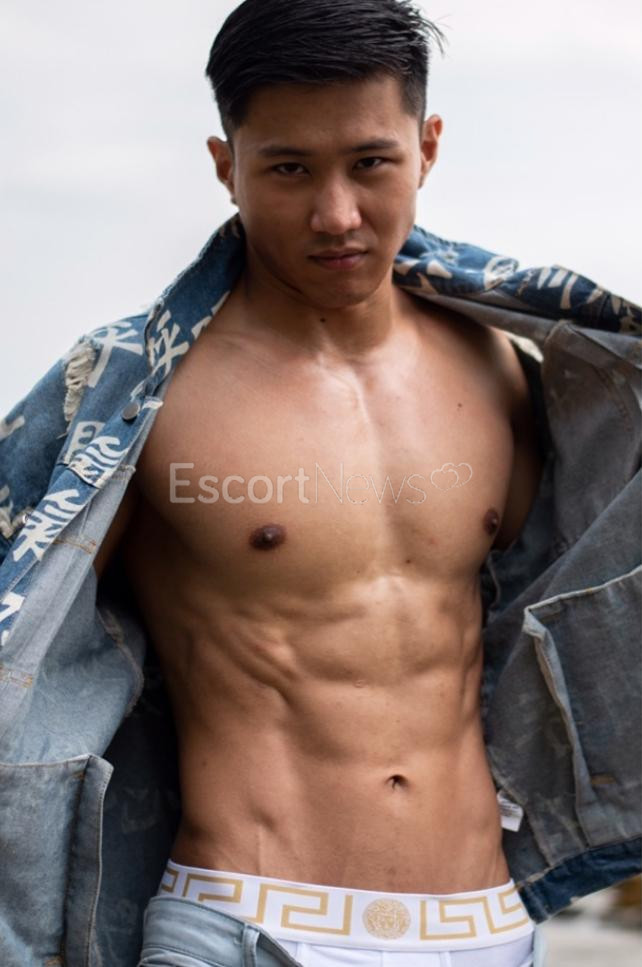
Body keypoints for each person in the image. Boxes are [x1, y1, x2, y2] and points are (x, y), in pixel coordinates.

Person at [0, 2, 639, 967]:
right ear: (226, 165)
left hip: (483, 928)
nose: (336, 215)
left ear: (428, 147)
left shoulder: (501, 373)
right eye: (289, 169)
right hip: (244, 921)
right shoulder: (136, 399)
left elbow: (555, 608)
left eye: (370, 163)